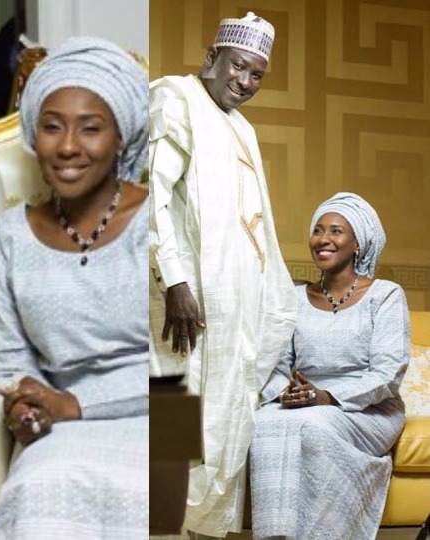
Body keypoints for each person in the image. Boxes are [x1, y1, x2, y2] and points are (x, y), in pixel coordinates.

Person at [0, 36, 149, 539]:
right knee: (41, 487)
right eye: (52, 127)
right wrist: (25, 402)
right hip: (61, 422)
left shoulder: (162, 224)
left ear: (121, 137)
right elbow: (9, 356)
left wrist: (77, 405)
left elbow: (188, 359)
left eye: (91, 128)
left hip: (164, 413)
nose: (68, 147)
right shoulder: (8, 236)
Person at [149, 12, 298, 538]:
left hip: (233, 318)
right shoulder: (176, 98)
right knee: (174, 427)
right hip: (183, 310)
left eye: (257, 75)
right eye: (239, 67)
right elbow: (152, 195)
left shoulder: (243, 129)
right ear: (212, 57)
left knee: (226, 431)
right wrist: (175, 282)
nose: (246, 82)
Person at [250, 193, 409, 540]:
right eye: (318, 230)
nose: (323, 239)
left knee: (314, 426)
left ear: (357, 244)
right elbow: (277, 365)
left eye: (336, 231)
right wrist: (284, 391)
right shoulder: (293, 298)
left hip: (369, 409)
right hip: (305, 402)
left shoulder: (385, 295)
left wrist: (326, 396)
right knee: (263, 422)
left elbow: (387, 374)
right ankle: (278, 536)